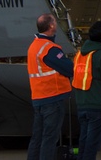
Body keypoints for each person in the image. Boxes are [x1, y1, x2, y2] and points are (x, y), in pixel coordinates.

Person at [26, 13, 73, 160]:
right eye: (55, 22)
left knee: (37, 138)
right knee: (49, 138)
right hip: (52, 98)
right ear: (51, 26)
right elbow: (68, 68)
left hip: (39, 98)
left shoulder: (34, 46)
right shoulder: (49, 49)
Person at [72, 21, 101, 160]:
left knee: (83, 143)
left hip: (82, 105)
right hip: (98, 106)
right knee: (92, 145)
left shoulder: (79, 55)